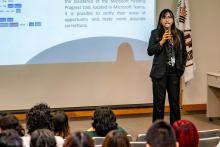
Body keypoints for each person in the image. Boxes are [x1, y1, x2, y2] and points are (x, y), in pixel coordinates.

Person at [147, 9, 187, 125]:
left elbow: (184, 53)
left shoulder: (179, 34)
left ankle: (176, 130)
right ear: (160, 20)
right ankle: (158, 131)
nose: (167, 19)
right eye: (164, 17)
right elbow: (150, 51)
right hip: (159, 74)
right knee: (159, 104)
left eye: (169, 17)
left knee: (175, 104)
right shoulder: (155, 33)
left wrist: (181, 68)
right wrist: (162, 41)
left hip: (174, 73)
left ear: (173, 20)